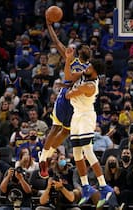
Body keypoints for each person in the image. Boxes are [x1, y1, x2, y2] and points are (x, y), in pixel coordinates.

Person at [38, 15, 90, 179]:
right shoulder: (71, 58)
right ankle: (42, 160)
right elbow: (57, 42)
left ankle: (47, 155)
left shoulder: (91, 68)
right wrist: (50, 26)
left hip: (77, 103)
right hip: (65, 99)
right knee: (55, 128)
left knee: (65, 131)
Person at [64, 47, 113, 208]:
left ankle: (104, 186)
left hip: (86, 116)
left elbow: (68, 94)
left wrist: (72, 89)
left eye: (90, 67)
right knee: (77, 152)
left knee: (88, 151)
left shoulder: (91, 85)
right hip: (76, 116)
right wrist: (67, 59)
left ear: (95, 72)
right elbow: (68, 77)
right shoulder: (85, 76)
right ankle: (85, 186)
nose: (87, 67)